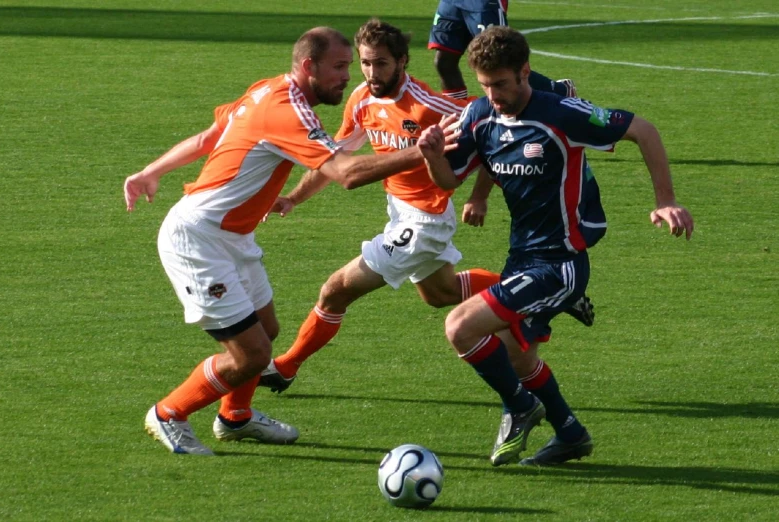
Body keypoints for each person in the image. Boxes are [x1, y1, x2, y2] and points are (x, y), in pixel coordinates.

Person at [123, 27, 432, 456]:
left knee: (266, 331)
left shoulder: (265, 90)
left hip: (232, 237)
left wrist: (150, 171)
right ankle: (169, 413)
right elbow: (345, 174)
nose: (350, 76)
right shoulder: (288, 111)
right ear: (309, 66)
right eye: (340, 67)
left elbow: (206, 139)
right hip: (198, 240)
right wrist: (424, 150)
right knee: (250, 355)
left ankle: (236, 417)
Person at [258, 19, 591, 394]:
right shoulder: (361, 100)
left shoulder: (429, 106)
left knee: (335, 291)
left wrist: (479, 195)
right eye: (365, 63)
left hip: (425, 222)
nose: (371, 72)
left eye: (381, 63)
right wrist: (293, 197)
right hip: (398, 213)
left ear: (402, 62)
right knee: (441, 294)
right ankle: (557, 294)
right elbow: (336, 161)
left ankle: (286, 366)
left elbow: (495, 133)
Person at [417, 26, 694, 466]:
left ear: (525, 71)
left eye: (502, 84)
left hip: (561, 262)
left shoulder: (561, 113)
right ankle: (570, 433)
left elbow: (643, 129)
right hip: (521, 256)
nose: (494, 95)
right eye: (486, 85)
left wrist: (666, 201)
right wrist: (431, 154)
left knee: (460, 327)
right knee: (516, 356)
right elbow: (449, 180)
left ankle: (522, 407)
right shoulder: (478, 116)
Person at [428, 0, 575, 100]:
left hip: (482, 3)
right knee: (443, 61)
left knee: (500, 59)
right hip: (451, 2)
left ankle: (560, 91)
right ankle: (456, 111)